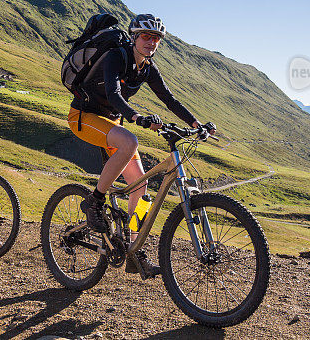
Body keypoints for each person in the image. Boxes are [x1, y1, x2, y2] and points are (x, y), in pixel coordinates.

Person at [68, 14, 215, 279]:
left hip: (111, 123)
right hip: (84, 118)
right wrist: (136, 117)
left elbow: (168, 98)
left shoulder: (147, 68)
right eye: (146, 37)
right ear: (134, 37)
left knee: (141, 186)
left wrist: (196, 123)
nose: (151, 42)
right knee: (131, 140)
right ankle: (94, 201)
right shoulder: (116, 56)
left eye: (156, 38)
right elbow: (113, 93)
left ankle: (135, 252)